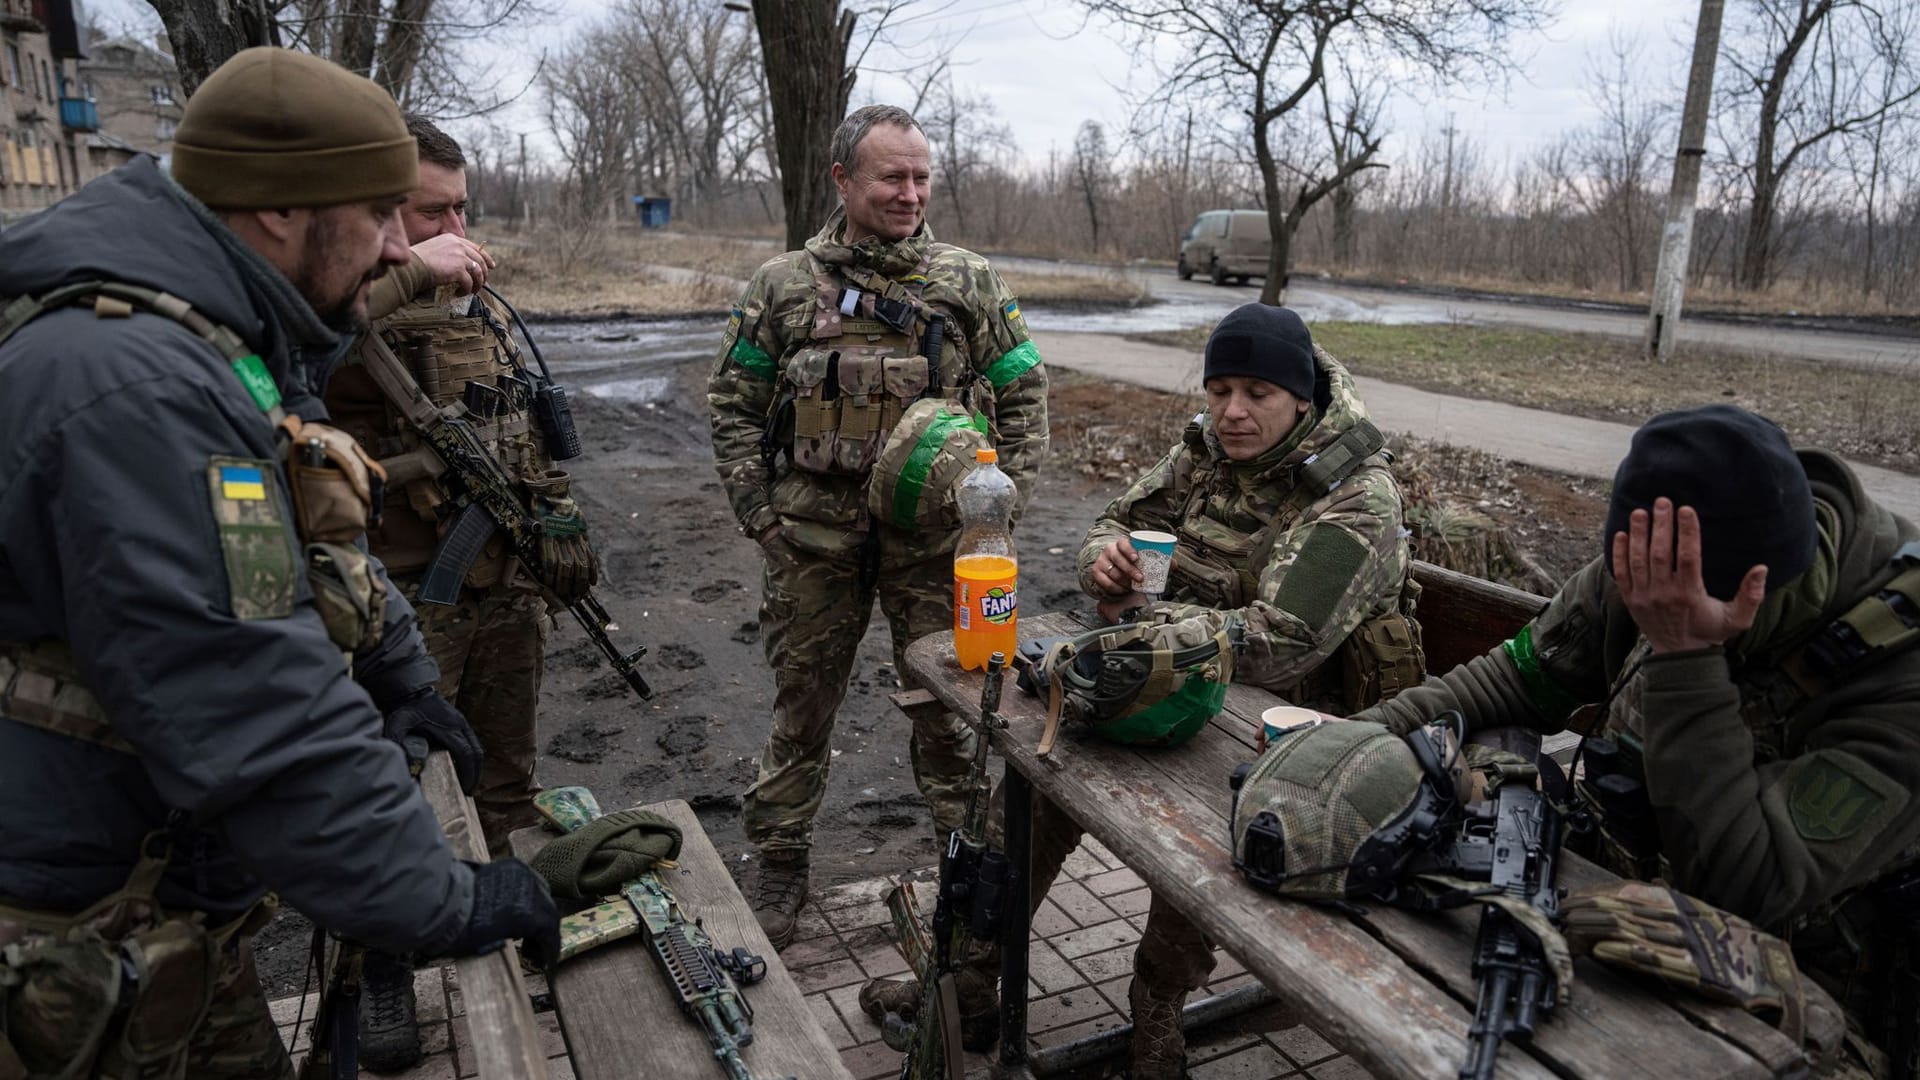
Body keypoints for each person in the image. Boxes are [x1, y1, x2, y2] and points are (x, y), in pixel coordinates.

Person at [0, 48, 559, 1079]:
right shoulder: (131, 387)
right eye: (384, 214)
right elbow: (250, 695)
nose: (400, 248)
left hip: (151, 894)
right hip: (60, 931)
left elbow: (296, 534)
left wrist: (401, 670)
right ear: (281, 215)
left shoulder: (199, 339)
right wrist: (444, 900)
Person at [863, 303, 1423, 1077]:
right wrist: (1105, 563)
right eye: (1219, 387)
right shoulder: (1205, 453)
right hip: (1178, 690)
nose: (1230, 411)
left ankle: (1156, 1005)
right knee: (1033, 779)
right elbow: (1113, 522)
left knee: (1201, 851)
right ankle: (970, 980)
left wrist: (1148, 622)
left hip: (1292, 735)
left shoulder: (1355, 495)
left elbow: (1284, 641)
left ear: (1302, 397)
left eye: (1255, 393)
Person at [1350, 404, 1920, 1076]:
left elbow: (1748, 882)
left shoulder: (1898, 675)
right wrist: (1361, 738)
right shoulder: (1662, 554)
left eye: (1664, 600)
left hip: (1807, 1004)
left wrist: (1686, 654)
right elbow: (1520, 679)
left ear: (1757, 588)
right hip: (1625, 919)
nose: (1642, 600)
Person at [707, 104, 1049, 948]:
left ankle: (961, 878)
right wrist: (759, 516)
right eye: (892, 176)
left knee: (954, 718)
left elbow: (1025, 395)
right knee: (802, 710)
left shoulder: (967, 281)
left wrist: (998, 520)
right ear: (843, 180)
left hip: (941, 555)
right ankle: (781, 864)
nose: (911, 192)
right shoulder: (782, 285)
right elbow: (734, 404)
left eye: (922, 176)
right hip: (809, 547)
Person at [321, 114, 591, 1070]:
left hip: (500, 582)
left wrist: (556, 518)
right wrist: (412, 269)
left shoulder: (473, 297)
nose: (456, 229)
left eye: (462, 209)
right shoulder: (340, 292)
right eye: (434, 212)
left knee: (507, 775)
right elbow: (311, 355)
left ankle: (512, 931)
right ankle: (379, 972)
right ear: (387, 216)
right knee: (388, 791)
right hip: (395, 594)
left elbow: (514, 423)